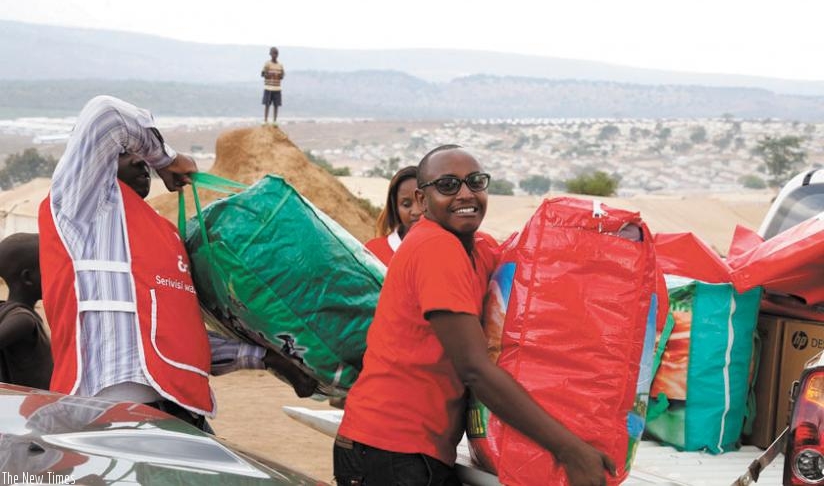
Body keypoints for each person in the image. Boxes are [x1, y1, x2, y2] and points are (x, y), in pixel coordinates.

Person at [334, 145, 615, 486]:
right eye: (448, 185)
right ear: (422, 201)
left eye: (475, 182)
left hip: (411, 449)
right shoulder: (434, 247)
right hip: (389, 448)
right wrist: (569, 449)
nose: (465, 194)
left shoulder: (478, 248)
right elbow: (475, 369)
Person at [38, 95, 316, 433]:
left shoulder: (165, 235)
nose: (141, 163)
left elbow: (177, 338)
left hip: (179, 415)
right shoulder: (81, 206)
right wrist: (165, 159)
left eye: (143, 157)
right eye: (128, 154)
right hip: (109, 415)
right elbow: (105, 115)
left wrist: (267, 358)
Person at [0, 233, 52, 390]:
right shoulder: (24, 319)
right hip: (28, 409)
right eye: (48, 269)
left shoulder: (10, 311)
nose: (53, 275)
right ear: (28, 278)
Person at [364, 165, 422, 266]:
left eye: (423, 202)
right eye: (406, 204)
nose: (416, 211)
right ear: (395, 207)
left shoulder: (449, 249)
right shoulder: (373, 252)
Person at [261, 46, 285, 124]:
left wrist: (280, 76)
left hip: (277, 88)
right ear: (270, 54)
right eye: (273, 53)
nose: (275, 55)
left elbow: (282, 76)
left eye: (276, 53)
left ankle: (274, 121)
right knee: (267, 104)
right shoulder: (267, 64)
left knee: (276, 105)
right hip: (268, 87)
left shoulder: (280, 65)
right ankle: (265, 120)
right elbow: (263, 73)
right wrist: (268, 74)